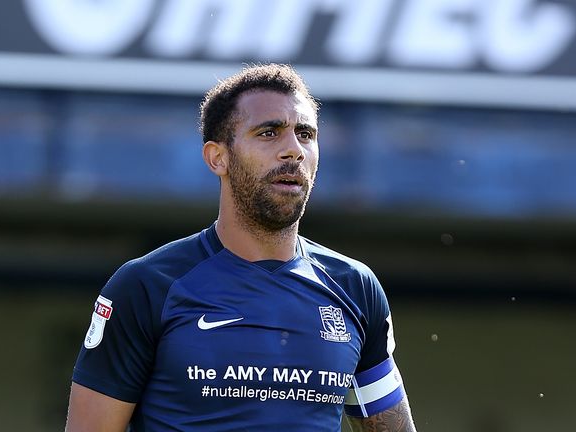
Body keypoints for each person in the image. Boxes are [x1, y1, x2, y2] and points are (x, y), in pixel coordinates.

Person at [65, 64, 417, 432]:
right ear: (219, 157)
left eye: (305, 134)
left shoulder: (354, 288)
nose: (293, 151)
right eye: (269, 133)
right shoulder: (147, 286)